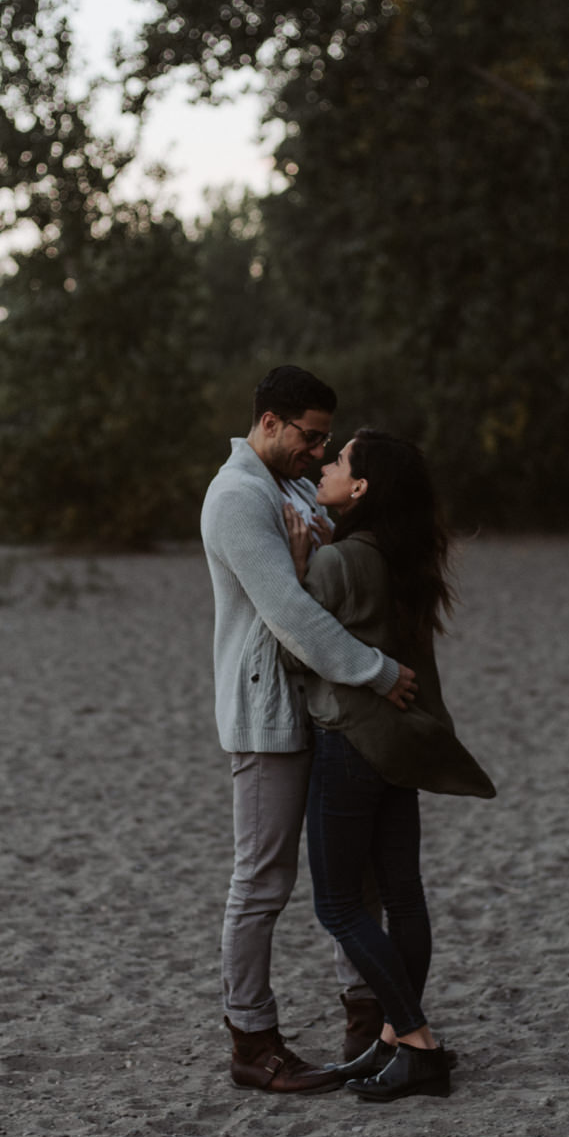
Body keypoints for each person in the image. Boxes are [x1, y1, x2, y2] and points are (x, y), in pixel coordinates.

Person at [200, 367, 420, 1094]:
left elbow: (330, 566)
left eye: (328, 438)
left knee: (354, 876)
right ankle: (253, 1039)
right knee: (263, 880)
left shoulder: (289, 485)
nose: (318, 450)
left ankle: (364, 1022)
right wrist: (380, 671)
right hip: (268, 715)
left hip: (322, 709)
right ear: (269, 421)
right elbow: (290, 615)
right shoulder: (238, 498)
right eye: (310, 434)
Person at [282, 430, 496, 1102]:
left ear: (363, 487)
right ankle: (394, 1041)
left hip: (349, 743)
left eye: (339, 460)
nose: (326, 465)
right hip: (400, 748)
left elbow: (296, 653)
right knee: (402, 892)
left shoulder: (339, 562)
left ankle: (418, 1038)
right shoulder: (408, 561)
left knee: (338, 904)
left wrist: (293, 574)